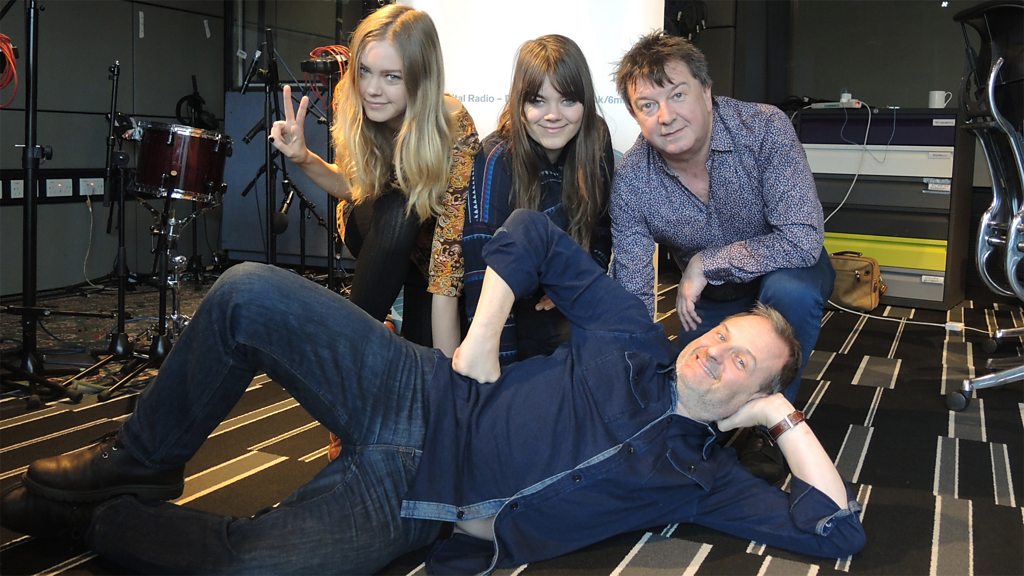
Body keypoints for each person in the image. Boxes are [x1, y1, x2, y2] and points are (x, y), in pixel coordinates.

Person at [1, 210, 864, 575]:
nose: (716, 351)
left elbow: (837, 532)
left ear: (753, 400)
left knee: (254, 564)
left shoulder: (703, 479)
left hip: (417, 503)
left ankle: (99, 523)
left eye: (743, 364)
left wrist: (785, 418)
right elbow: (532, 232)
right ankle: (142, 462)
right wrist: (483, 335)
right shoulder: (631, 337)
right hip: (418, 393)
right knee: (248, 291)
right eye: (722, 334)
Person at [609, 31, 834, 405]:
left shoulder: (763, 128)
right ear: (635, 115)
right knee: (690, 395)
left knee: (790, 293)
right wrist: (633, 373)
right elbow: (635, 290)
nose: (666, 117)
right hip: (714, 296)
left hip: (788, 270)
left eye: (677, 95)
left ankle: (774, 418)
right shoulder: (632, 180)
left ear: (706, 91)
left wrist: (706, 263)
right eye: (648, 105)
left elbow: (801, 238)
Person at [271, 4, 479, 355]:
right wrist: (304, 157)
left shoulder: (453, 126)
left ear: (421, 78)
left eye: (391, 77)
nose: (371, 89)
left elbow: (449, 247)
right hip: (375, 224)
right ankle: (346, 351)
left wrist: (448, 376)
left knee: (424, 361)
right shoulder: (352, 98)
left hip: (433, 252)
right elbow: (354, 187)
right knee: (401, 205)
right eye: (365, 71)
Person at [462, 34, 614, 364]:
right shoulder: (495, 158)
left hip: (567, 297)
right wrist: (496, 373)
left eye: (568, 100)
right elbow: (480, 273)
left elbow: (601, 231)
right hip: (511, 310)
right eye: (538, 101)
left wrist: (576, 284)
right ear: (520, 103)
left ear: (585, 102)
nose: (553, 115)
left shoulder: (596, 140)